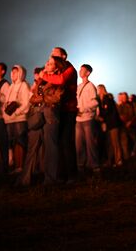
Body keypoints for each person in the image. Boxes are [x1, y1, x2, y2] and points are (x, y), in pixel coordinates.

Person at [40, 47, 78, 183]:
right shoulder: (55, 70)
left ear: (64, 56)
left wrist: (43, 75)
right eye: (51, 53)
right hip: (58, 110)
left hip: (68, 110)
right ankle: (61, 175)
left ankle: (72, 175)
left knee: (66, 142)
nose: (52, 55)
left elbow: (61, 80)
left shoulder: (69, 69)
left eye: (55, 53)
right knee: (57, 143)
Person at [3, 65, 31, 174]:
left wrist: (17, 112)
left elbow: (26, 103)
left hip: (20, 118)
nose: (13, 74)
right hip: (10, 119)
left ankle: (21, 165)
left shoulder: (24, 85)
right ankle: (16, 166)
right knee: (13, 142)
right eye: (12, 72)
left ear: (20, 73)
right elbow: (6, 102)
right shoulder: (10, 87)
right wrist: (7, 114)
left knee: (21, 142)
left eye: (15, 72)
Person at [75, 64, 100, 171]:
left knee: (90, 143)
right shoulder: (79, 86)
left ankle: (94, 165)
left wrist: (82, 109)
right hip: (78, 119)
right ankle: (81, 164)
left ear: (88, 73)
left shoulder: (91, 86)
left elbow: (94, 102)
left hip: (88, 118)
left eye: (82, 70)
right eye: (80, 69)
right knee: (79, 143)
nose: (80, 71)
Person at [97, 84, 123, 167]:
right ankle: (110, 161)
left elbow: (108, 111)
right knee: (109, 143)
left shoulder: (107, 98)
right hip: (108, 124)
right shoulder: (101, 100)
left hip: (113, 124)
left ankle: (118, 160)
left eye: (98, 89)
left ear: (102, 90)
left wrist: (100, 117)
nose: (97, 91)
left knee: (115, 142)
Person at [117, 92, 134, 161]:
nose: (122, 99)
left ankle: (127, 157)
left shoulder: (128, 105)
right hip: (120, 126)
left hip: (126, 125)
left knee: (126, 142)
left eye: (124, 97)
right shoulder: (118, 105)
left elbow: (130, 115)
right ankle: (124, 157)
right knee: (122, 142)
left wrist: (126, 119)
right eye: (121, 97)